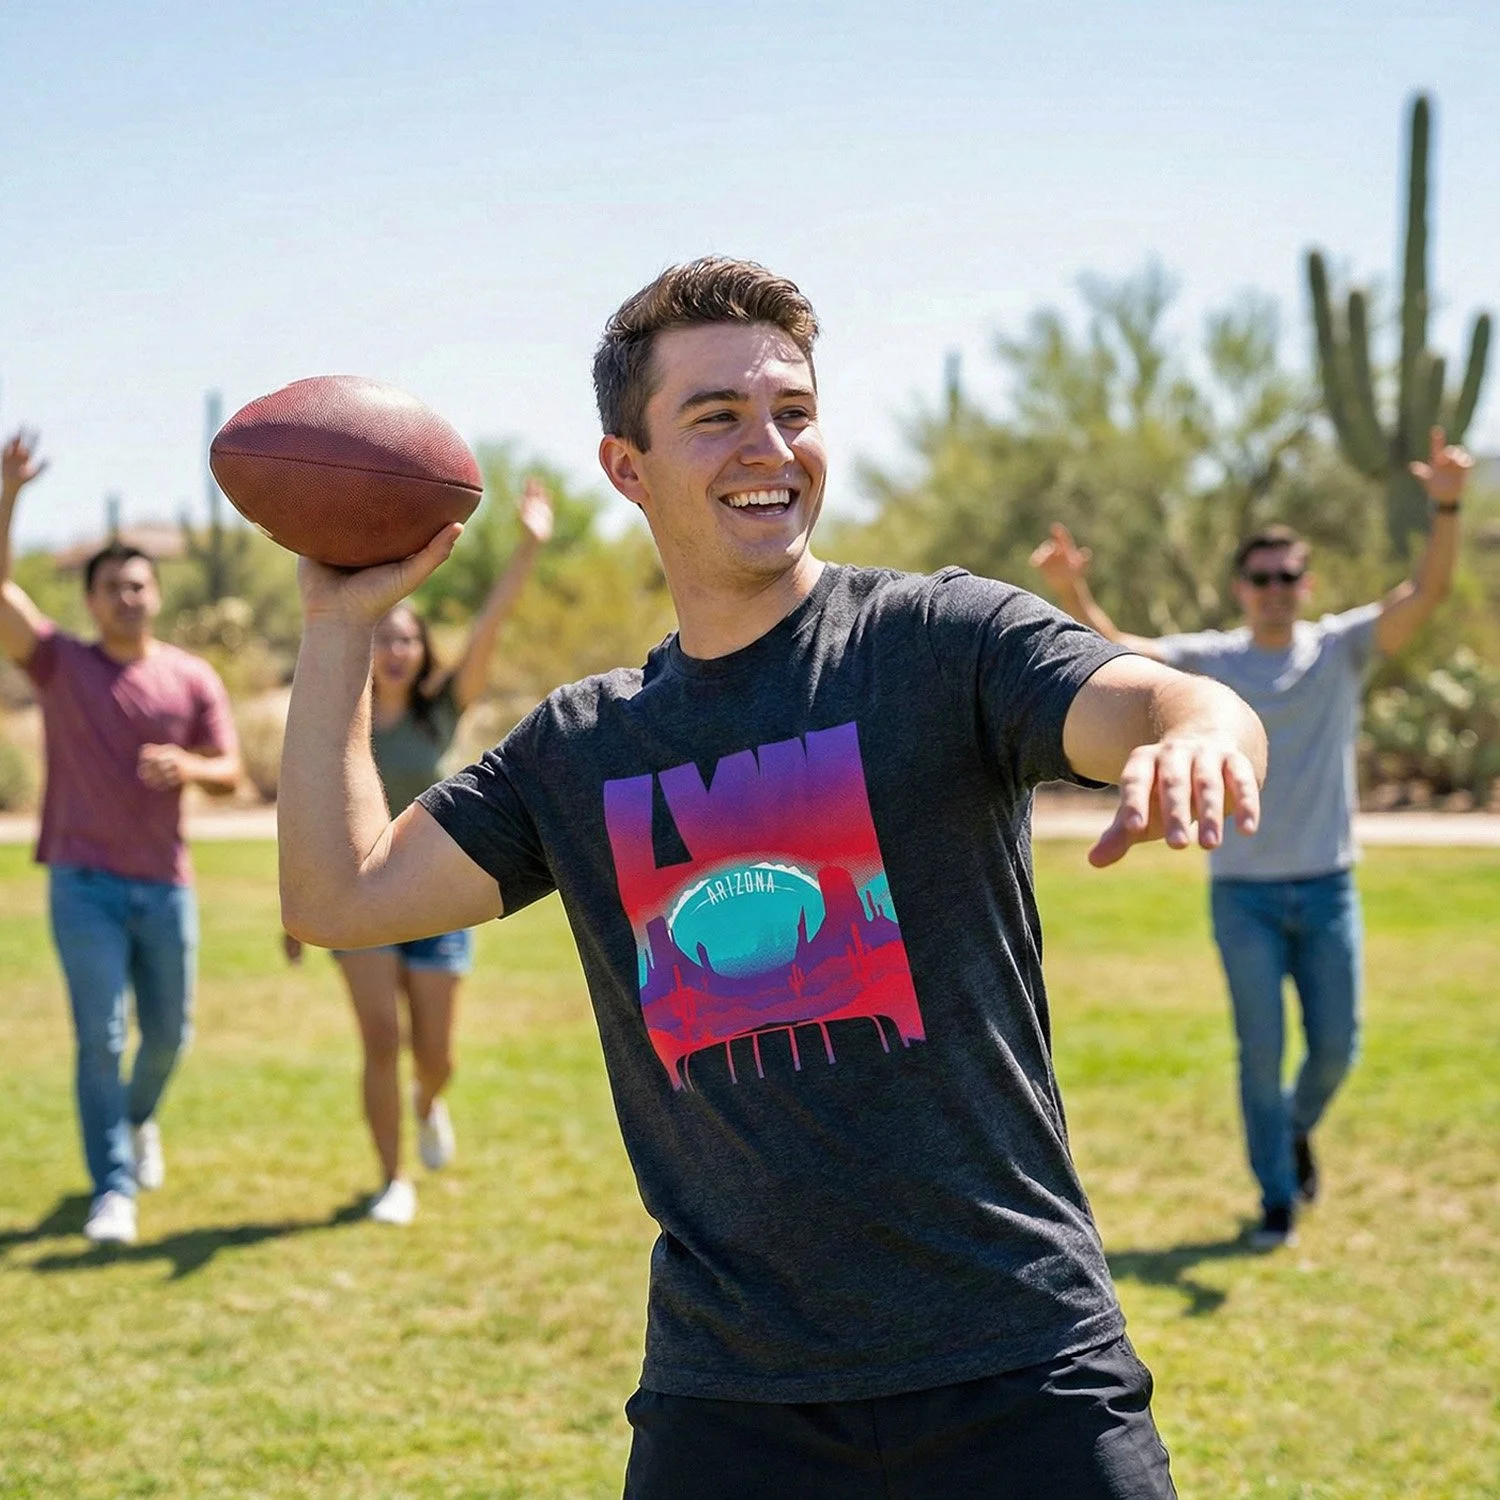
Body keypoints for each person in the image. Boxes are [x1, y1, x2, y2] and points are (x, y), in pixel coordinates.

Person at [278, 258, 1268, 1498]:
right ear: (624, 469)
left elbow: (1165, 695)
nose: (772, 446)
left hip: (1015, 1359)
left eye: (793, 411)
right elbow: (340, 897)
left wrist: (1202, 734)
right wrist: (337, 631)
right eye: (718, 417)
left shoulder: (937, 643)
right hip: (732, 1400)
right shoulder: (585, 748)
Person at [1030, 429, 1470, 1250]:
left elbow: (1427, 593)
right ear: (1242, 587)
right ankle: (1275, 1194)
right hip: (1245, 898)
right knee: (1259, 1050)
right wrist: (1073, 590)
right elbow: (1117, 654)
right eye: (1262, 577)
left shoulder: (1340, 650)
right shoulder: (1214, 662)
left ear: (1306, 585)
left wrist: (1446, 505)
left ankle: (1291, 1133)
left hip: (1329, 885)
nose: (1276, 589)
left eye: (1289, 576)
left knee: (1338, 1047)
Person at [285, 479, 553, 1224]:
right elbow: (310, 806)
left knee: (435, 1054)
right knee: (382, 1040)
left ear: (421, 648)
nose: (395, 649)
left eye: (406, 637)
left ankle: (430, 1100)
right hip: (360, 896)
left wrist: (527, 544)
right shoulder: (341, 713)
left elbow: (493, 624)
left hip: (436, 895)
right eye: (381, 636)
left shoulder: (442, 710)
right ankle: (392, 1178)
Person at [0, 429, 242, 1246]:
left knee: (170, 1033)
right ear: (92, 599)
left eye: (139, 585)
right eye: (112, 587)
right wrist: (11, 496)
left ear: (155, 594)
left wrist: (191, 767)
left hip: (164, 883)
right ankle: (112, 1189)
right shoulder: (59, 663)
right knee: (101, 1036)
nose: (127, 597)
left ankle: (138, 1122)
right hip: (82, 883)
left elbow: (233, 769)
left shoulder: (192, 678)